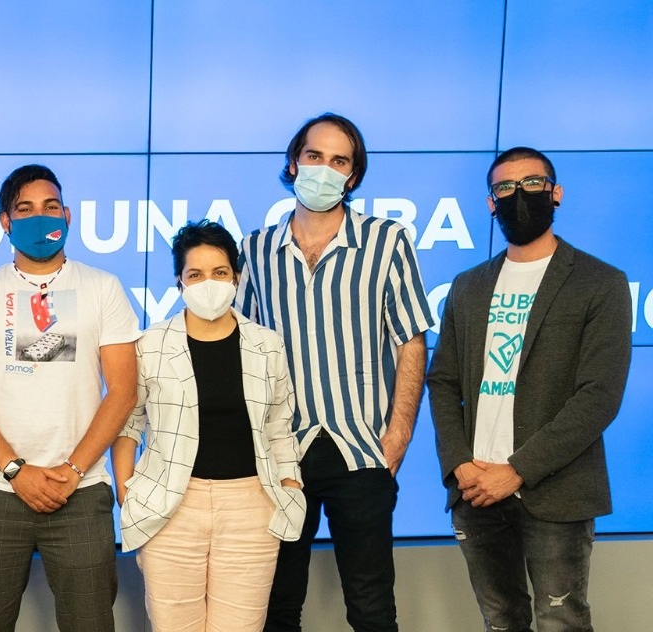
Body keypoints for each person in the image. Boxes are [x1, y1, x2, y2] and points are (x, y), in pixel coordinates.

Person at [240, 113, 436, 632]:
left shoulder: (387, 241)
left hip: (363, 449)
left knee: (372, 610)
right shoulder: (255, 249)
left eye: (339, 161)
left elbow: (411, 342)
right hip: (283, 454)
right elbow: (243, 351)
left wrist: (398, 435)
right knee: (276, 609)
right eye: (314, 156)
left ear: (353, 175)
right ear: (293, 163)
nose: (324, 169)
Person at [428, 147, 631, 631]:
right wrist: (459, 464)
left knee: (562, 621)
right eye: (505, 187)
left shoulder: (600, 282)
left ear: (555, 193)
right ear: (490, 202)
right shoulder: (467, 286)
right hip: (475, 490)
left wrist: (517, 470)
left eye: (532, 183)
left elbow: (599, 395)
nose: (519, 194)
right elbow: (442, 381)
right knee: (500, 621)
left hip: (555, 490)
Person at [0, 164, 141, 631]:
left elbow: (123, 391)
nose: (41, 217)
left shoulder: (103, 287)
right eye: (25, 209)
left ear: (67, 215)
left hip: (81, 490)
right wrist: (15, 470)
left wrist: (73, 470)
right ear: (5, 222)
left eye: (51, 207)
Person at [114, 220, 306, 631]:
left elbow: (280, 424)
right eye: (196, 274)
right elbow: (128, 422)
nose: (209, 284)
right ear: (179, 282)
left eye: (219, 272)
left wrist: (290, 484)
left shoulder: (267, 343)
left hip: (251, 507)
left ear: (236, 277)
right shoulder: (150, 344)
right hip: (171, 506)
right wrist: (125, 489)